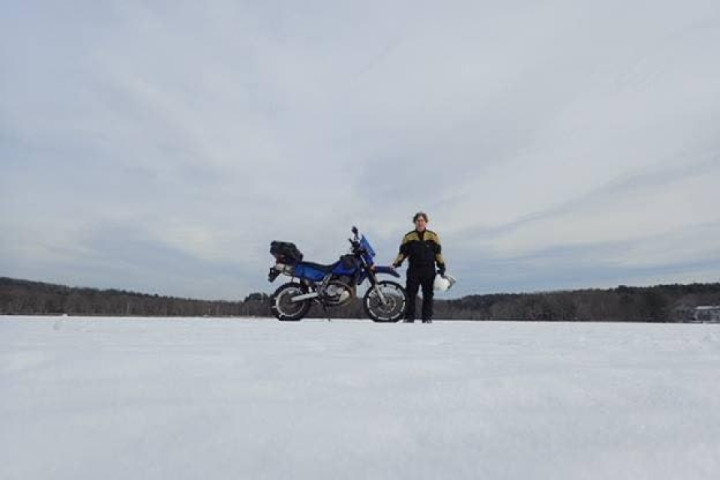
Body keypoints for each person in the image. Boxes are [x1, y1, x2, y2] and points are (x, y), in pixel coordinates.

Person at [392, 212, 446, 323]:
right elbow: (402, 253)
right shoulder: (408, 237)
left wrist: (442, 266)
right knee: (410, 294)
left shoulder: (433, 236)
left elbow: (438, 254)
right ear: (414, 222)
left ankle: (427, 318)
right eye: (418, 221)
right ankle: (409, 317)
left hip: (429, 269)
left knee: (428, 294)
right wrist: (396, 264)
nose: (420, 223)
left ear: (426, 222)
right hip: (413, 269)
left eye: (422, 220)